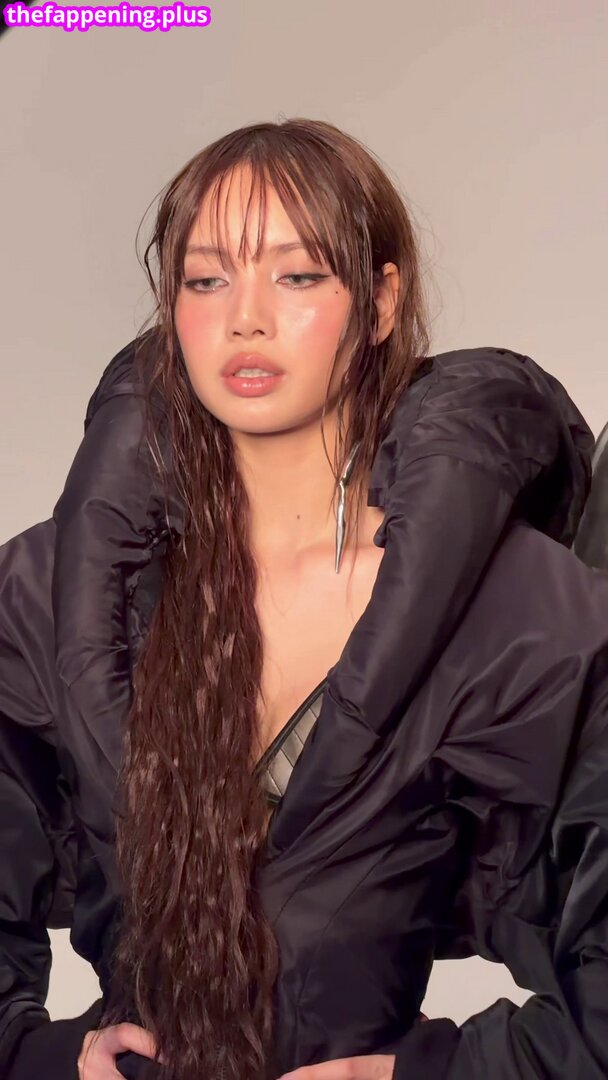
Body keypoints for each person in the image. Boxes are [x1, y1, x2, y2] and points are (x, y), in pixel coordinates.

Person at [1, 117, 607, 1080]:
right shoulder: (53, 591)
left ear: (380, 302)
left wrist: (424, 1074)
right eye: (206, 280)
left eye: (297, 275)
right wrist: (48, 1055)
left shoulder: (508, 611)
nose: (246, 318)